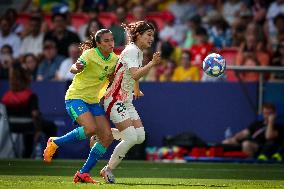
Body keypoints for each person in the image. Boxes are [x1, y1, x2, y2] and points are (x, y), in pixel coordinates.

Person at [42, 29, 119, 184]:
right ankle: (55, 142)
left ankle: (83, 173)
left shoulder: (114, 59)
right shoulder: (90, 54)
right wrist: (77, 68)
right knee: (90, 128)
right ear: (98, 43)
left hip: (93, 101)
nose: (111, 43)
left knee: (107, 137)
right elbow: (73, 68)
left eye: (112, 40)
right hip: (75, 98)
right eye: (106, 41)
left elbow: (112, 77)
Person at [97, 21, 161, 183]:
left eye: (152, 35)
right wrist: (152, 63)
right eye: (148, 35)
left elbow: (133, 74)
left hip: (126, 100)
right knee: (131, 138)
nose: (151, 38)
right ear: (138, 35)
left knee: (140, 137)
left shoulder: (137, 51)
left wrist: (136, 88)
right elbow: (134, 74)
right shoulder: (132, 51)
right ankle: (108, 170)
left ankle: (105, 134)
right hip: (114, 98)